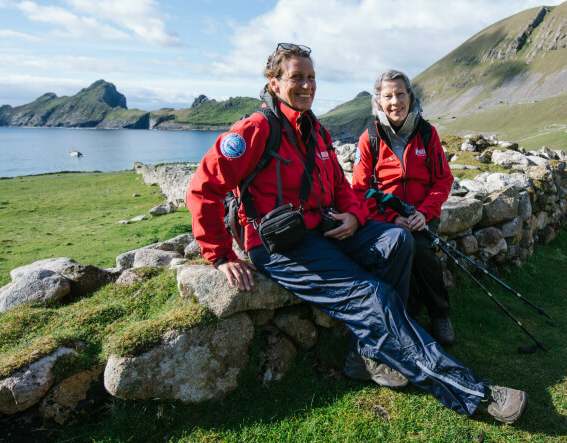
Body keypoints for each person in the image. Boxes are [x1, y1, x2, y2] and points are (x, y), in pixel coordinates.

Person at [185, 43, 527, 423]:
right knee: (373, 295)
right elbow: (202, 189)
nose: (307, 85)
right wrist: (219, 255)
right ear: (274, 82)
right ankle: (472, 393)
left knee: (397, 240)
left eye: (311, 77)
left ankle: (365, 354)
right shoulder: (255, 130)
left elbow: (342, 188)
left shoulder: (315, 130)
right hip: (280, 246)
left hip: (323, 230)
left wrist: (353, 215)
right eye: (297, 77)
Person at [351, 70, 456, 346]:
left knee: (421, 249)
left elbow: (443, 179)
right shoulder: (369, 138)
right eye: (388, 95)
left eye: (400, 94)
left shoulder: (426, 132)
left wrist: (425, 213)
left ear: (410, 97)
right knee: (402, 245)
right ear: (378, 101)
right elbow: (360, 191)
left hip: (423, 214)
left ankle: (440, 313)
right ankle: (409, 317)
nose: (395, 101)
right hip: (386, 217)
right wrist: (393, 218)